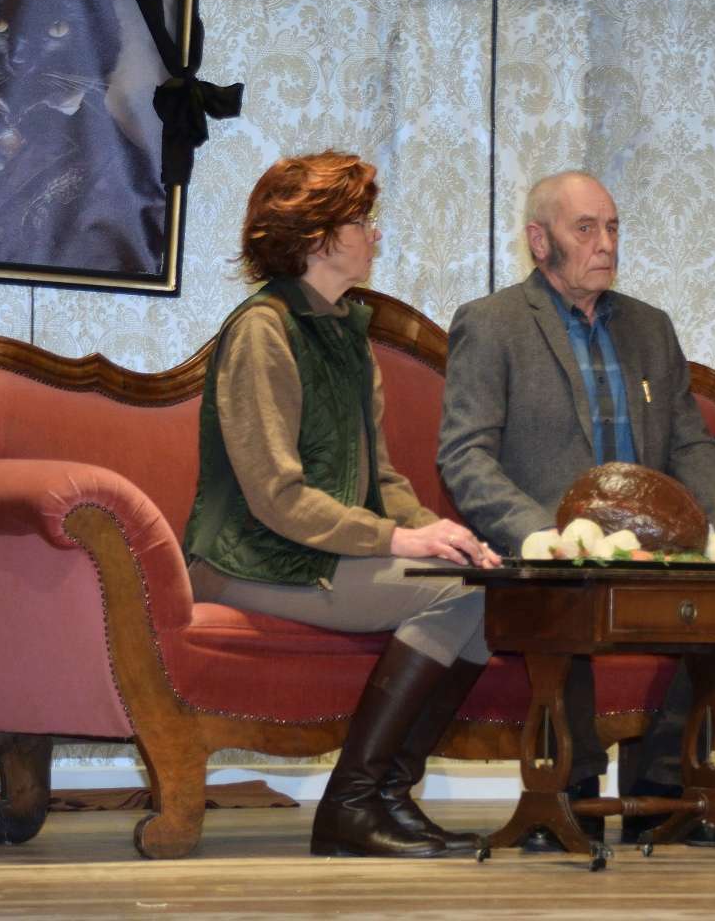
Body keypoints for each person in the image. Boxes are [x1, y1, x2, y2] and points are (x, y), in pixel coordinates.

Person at [181, 151, 502, 859]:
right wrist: (397, 542)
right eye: (361, 221)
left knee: (487, 590)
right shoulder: (262, 330)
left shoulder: (346, 335)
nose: (374, 235)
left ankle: (387, 797)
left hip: (316, 552)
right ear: (318, 236)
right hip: (248, 559)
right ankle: (350, 806)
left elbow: (381, 479)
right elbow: (276, 497)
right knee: (453, 595)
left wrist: (442, 533)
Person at [438, 170, 715, 841]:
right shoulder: (492, 324)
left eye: (612, 228)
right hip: (549, 551)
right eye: (585, 229)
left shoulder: (650, 328)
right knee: (569, 595)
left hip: (648, 552)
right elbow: (465, 455)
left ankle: (663, 797)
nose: (605, 243)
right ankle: (568, 799)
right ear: (539, 240)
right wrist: (535, 532)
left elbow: (691, 444)